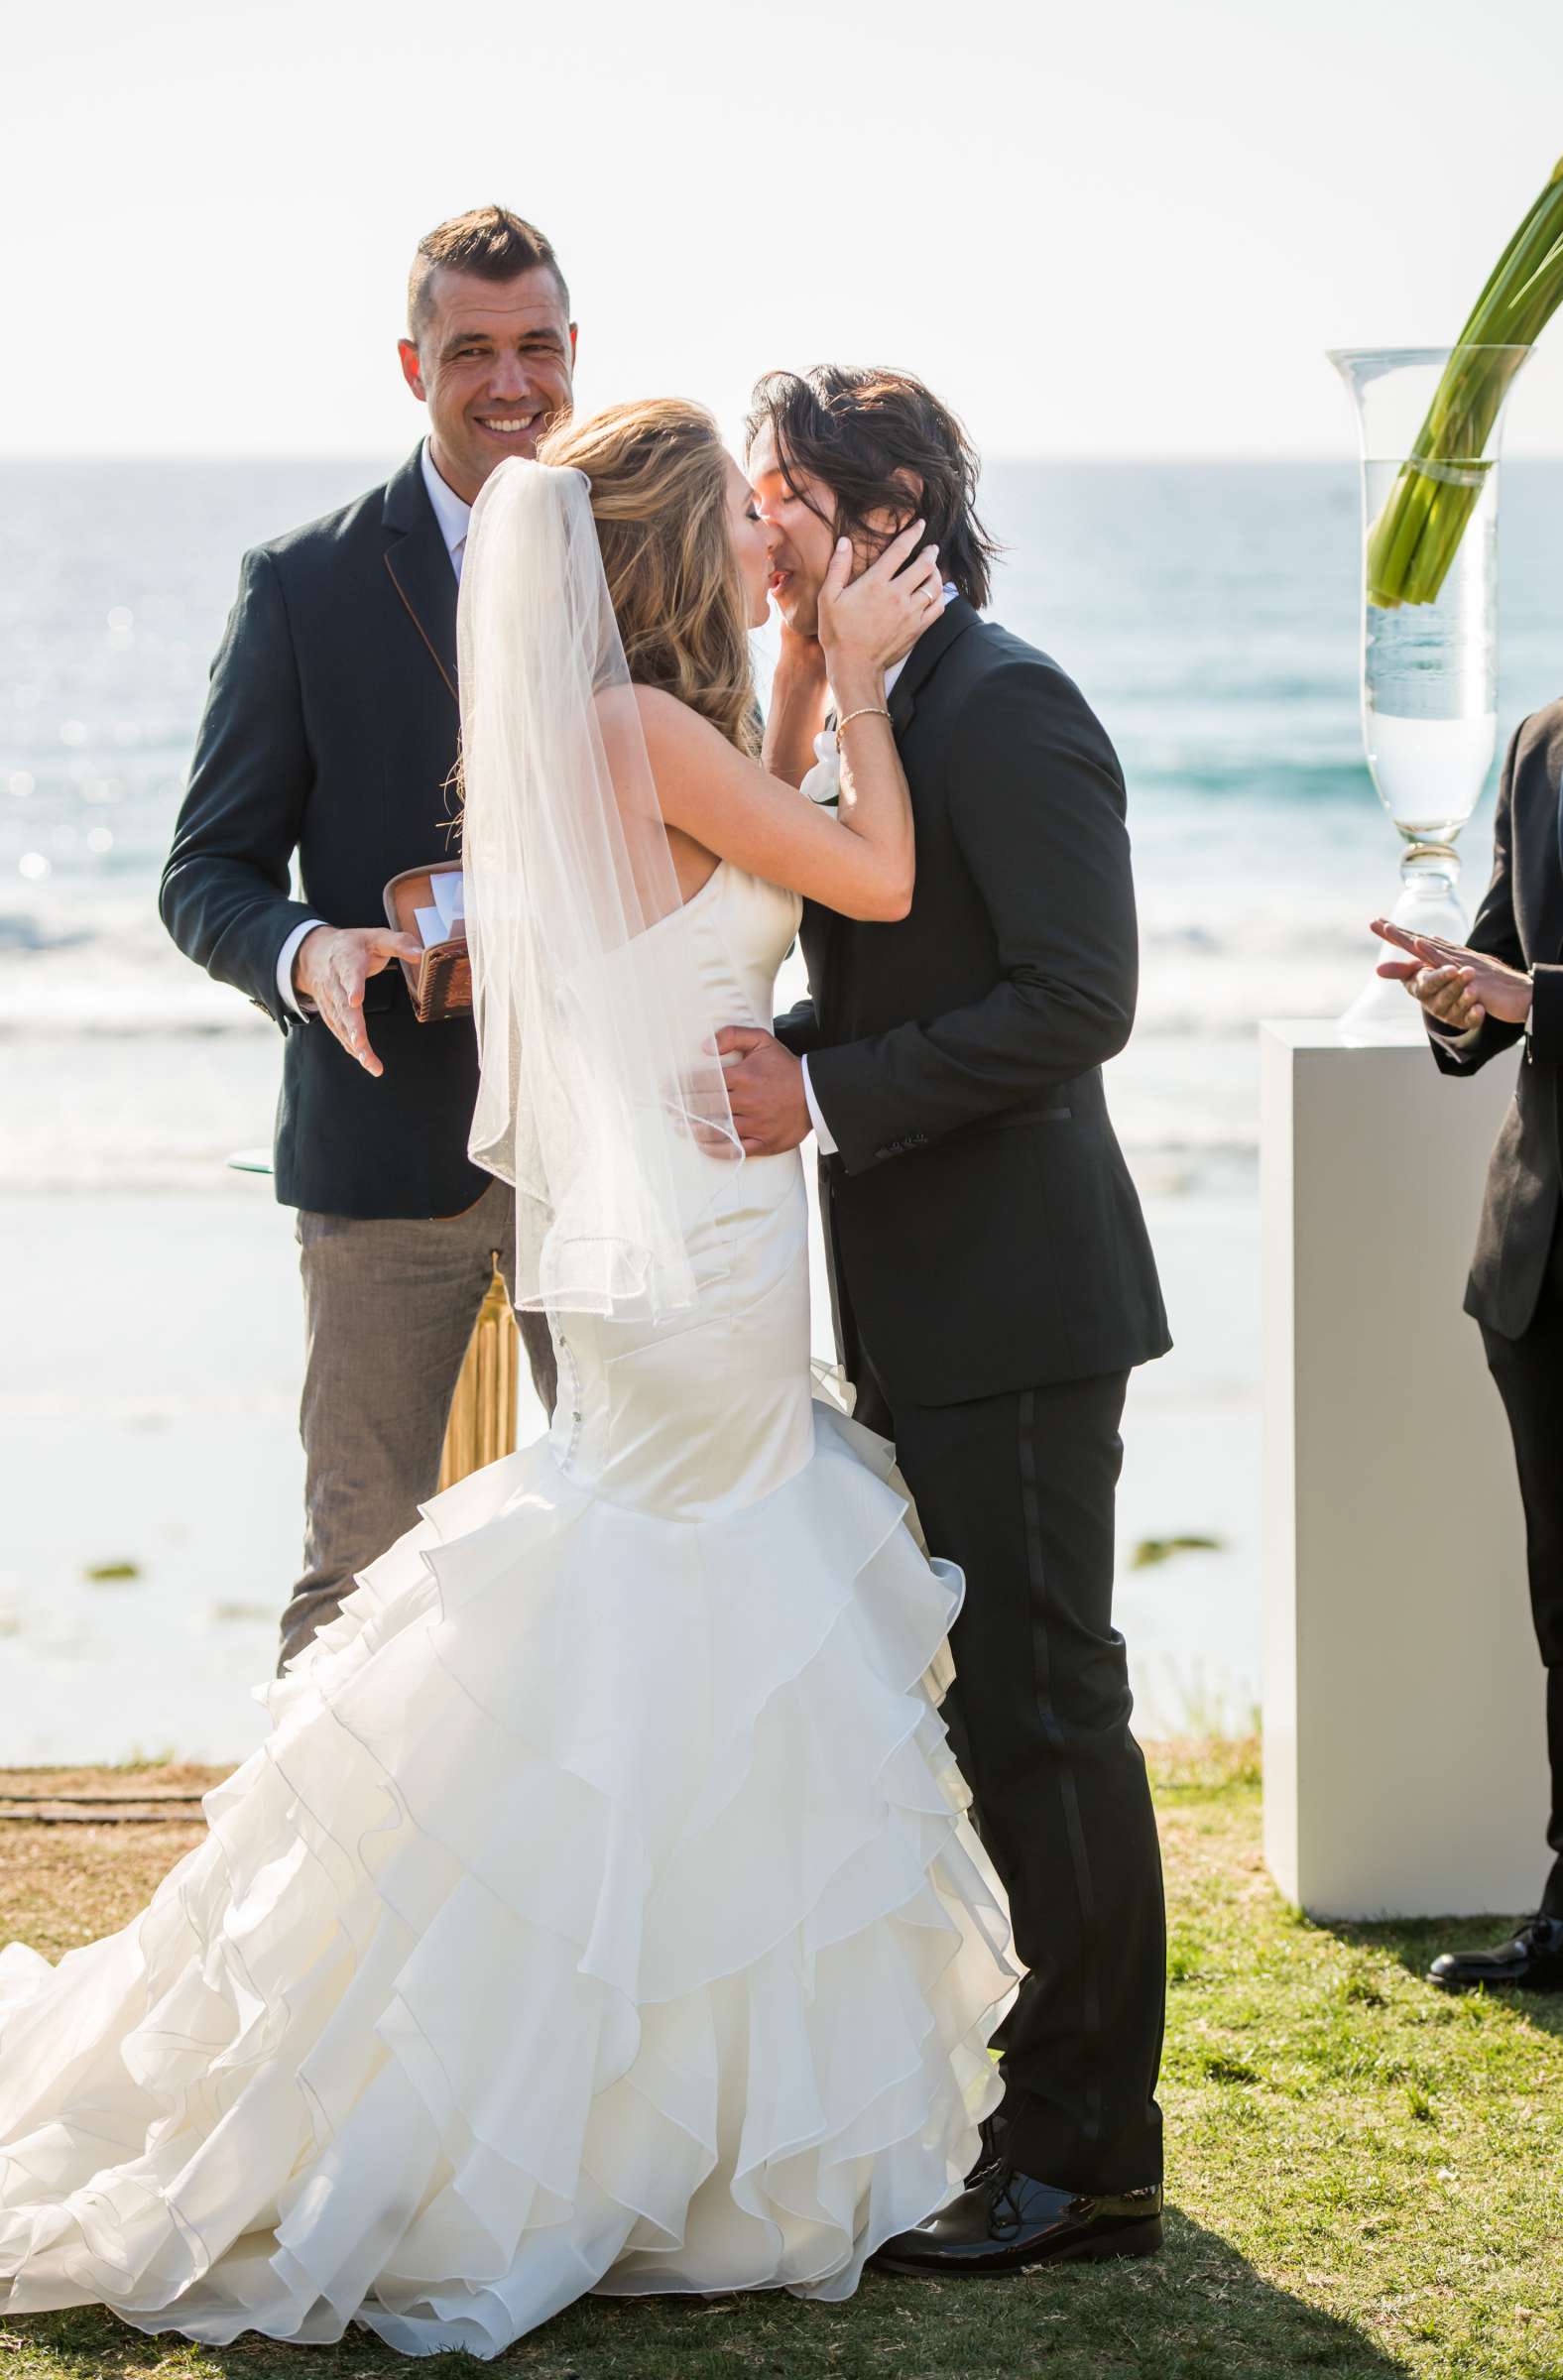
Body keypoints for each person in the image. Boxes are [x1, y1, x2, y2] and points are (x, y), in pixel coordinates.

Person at [0, 401, 1016, 2356]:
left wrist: (808, 663)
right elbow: (867, 874)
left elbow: (754, 816)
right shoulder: (640, 735)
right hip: (699, 1259)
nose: (765, 527)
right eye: (741, 510)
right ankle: (621, 2108)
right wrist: (874, 680)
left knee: (671, 1615)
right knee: (680, 1606)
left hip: (686, 1253)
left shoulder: (616, 737)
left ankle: (655, 2102)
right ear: (661, 550)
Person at [724, 367, 1172, 2275]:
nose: (761, 532)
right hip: (919, 1292)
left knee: (1053, 1708)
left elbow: (1078, 1001)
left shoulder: (1008, 704)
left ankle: (1093, 2161)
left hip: (1020, 1295)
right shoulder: (896, 706)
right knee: (987, 1709)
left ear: (888, 502)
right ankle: (1032, 2109)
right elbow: (924, 964)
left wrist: (817, 1090)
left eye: (786, 500)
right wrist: (801, 1051)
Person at [159, 204, 569, 1671]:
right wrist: (305, 949)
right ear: (414, 366)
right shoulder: (305, 585)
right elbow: (205, 869)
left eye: (535, 347)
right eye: (473, 352)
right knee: (358, 1565)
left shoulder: (640, 565)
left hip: (597, 1152)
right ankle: (321, 1905)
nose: (509, 383)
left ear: (573, 351)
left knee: (638, 1540)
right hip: (384, 1144)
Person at [1373, 468, 1563, 2026]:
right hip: (1541, 1258)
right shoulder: (1539, 740)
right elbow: (1513, 953)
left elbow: (1550, 991)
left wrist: (1535, 1000)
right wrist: (1460, 996)